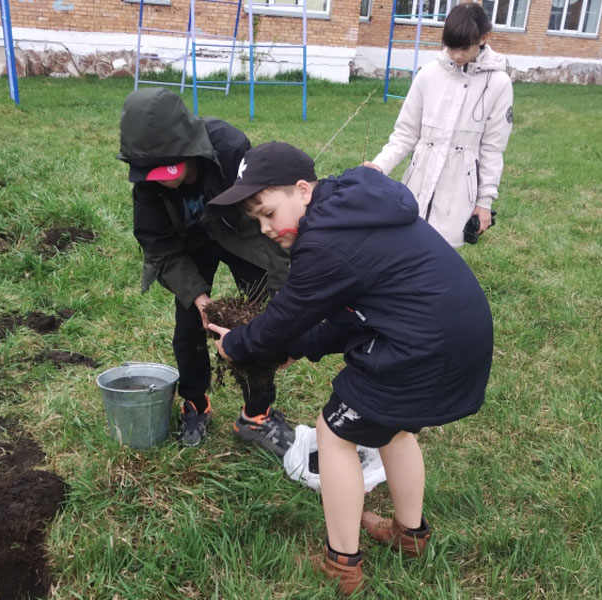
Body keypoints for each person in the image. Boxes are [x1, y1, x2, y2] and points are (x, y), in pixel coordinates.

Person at [206, 141, 494, 595]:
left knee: (334, 433)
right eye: (256, 221)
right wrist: (297, 349)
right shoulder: (350, 205)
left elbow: (286, 315)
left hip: (420, 348)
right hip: (459, 334)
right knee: (395, 428)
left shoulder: (323, 241)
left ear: (302, 190)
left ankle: (342, 563)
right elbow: (346, 312)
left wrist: (238, 345)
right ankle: (410, 534)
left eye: (267, 212)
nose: (264, 228)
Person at [117, 87, 295, 456]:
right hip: (190, 245)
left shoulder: (229, 150)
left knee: (259, 325)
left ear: (188, 149)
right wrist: (198, 297)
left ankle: (256, 413)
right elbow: (158, 244)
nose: (161, 180)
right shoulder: (148, 185)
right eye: (150, 173)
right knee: (188, 331)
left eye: (167, 169)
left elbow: (268, 214)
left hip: (242, 235)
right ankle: (196, 402)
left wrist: (279, 289)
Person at [365, 1, 513, 248]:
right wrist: (380, 166)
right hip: (419, 178)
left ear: (484, 37)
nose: (456, 56)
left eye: (464, 48)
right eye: (451, 47)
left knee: (441, 254)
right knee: (403, 245)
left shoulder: (499, 84)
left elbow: (492, 148)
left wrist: (485, 201)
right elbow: (405, 133)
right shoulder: (429, 74)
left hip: (459, 188)